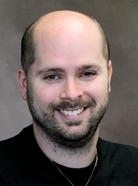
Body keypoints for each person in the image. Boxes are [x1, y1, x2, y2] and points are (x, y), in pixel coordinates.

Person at [0, 10, 138, 186]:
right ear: (24, 84)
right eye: (52, 76)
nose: (72, 93)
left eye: (87, 73)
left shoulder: (134, 167)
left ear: (108, 77)